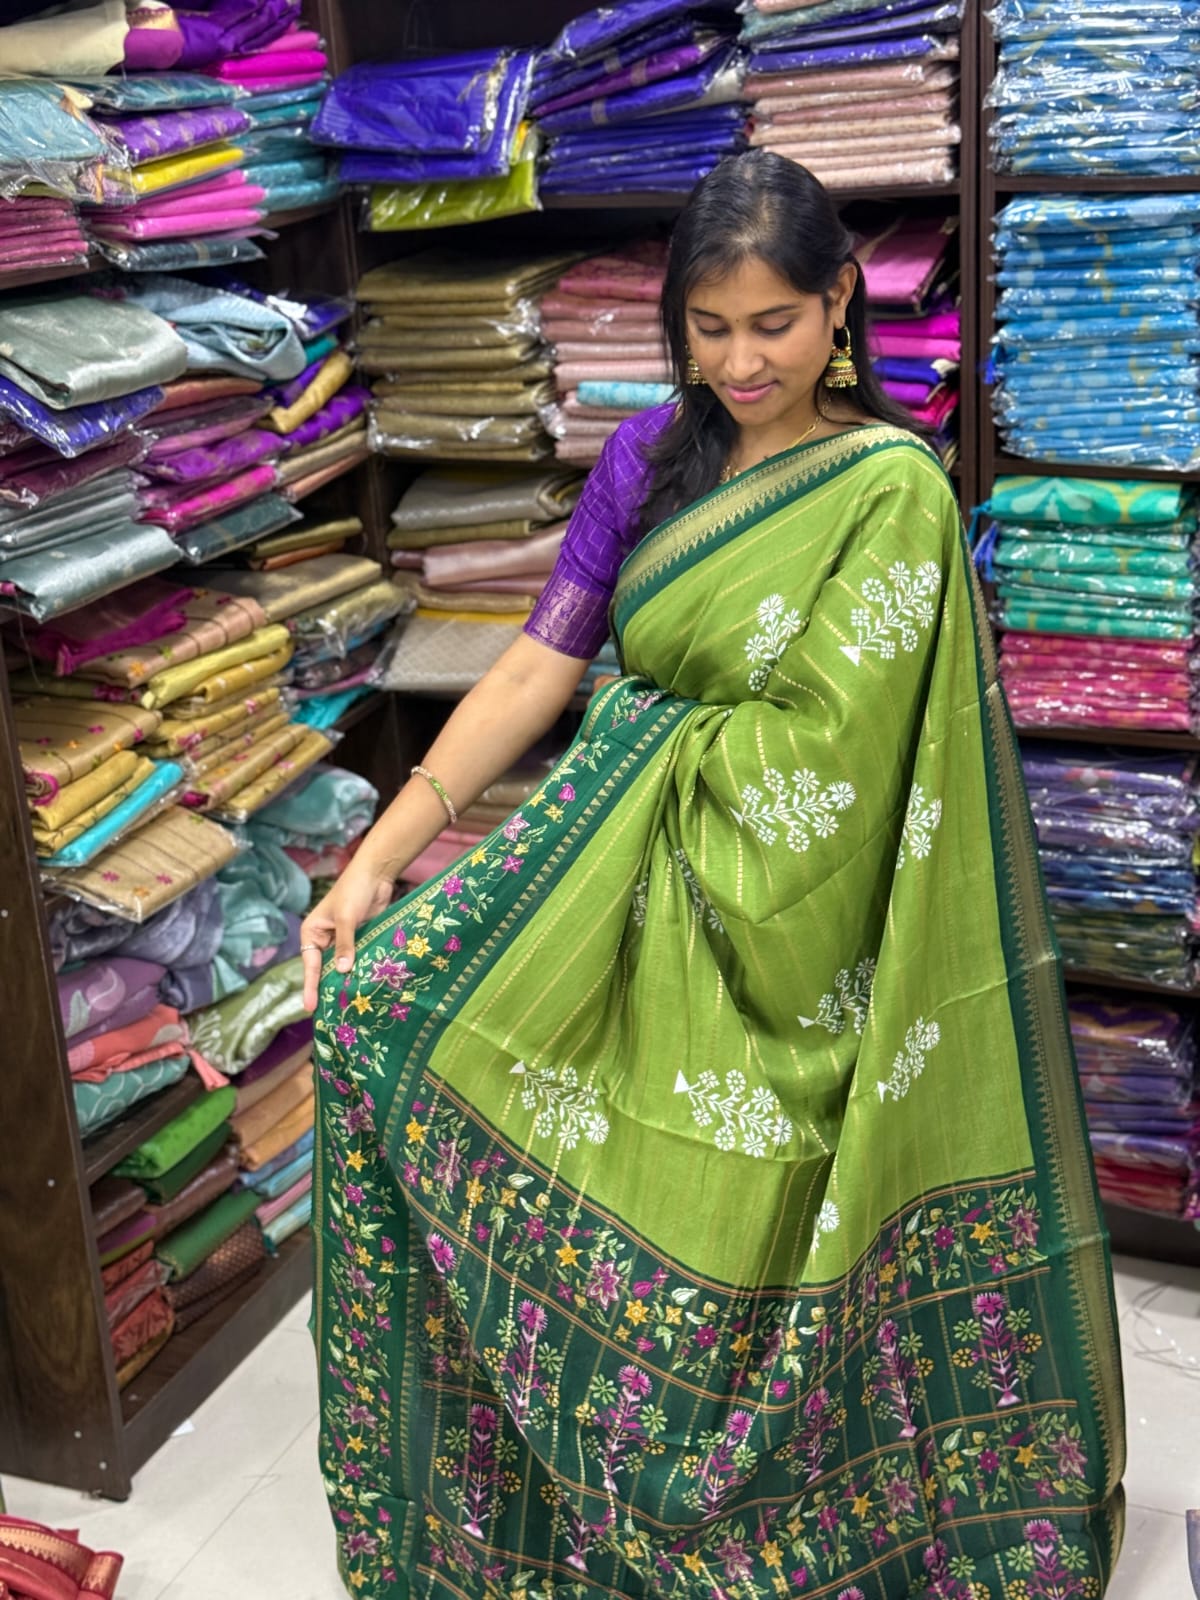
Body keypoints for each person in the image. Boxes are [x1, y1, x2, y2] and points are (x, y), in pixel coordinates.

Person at [301, 151, 1125, 1600]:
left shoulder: (892, 492)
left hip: (805, 934)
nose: (743, 363)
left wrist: (650, 737)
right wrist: (379, 856)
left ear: (840, 305)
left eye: (776, 325)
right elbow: (539, 664)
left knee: (745, 1216)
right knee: (378, 1019)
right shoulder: (644, 460)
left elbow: (844, 761)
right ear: (677, 318)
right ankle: (530, 1510)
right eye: (711, 326)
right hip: (628, 892)